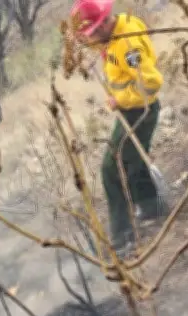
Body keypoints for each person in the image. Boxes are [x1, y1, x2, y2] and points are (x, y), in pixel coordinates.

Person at [70, 0, 167, 253]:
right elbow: (101, 48)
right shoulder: (114, 34)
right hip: (130, 110)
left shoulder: (127, 44)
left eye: (92, 33)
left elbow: (151, 83)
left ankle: (121, 236)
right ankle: (151, 207)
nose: (91, 40)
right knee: (133, 162)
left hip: (139, 112)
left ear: (102, 25)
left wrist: (120, 99)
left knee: (111, 169)